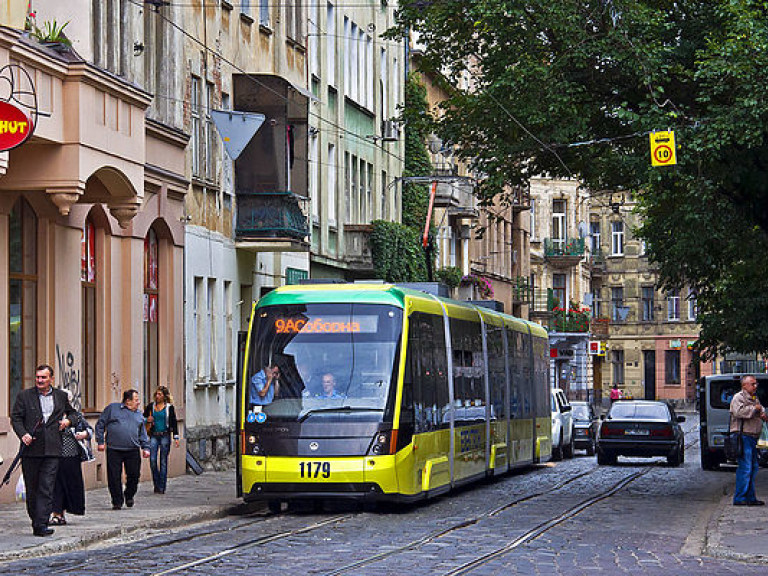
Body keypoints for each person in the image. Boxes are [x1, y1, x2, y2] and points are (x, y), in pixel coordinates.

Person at [10, 364, 78, 536]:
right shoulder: (24, 396)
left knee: (46, 487)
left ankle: (41, 523)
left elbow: (74, 415)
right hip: (31, 449)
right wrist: (23, 434)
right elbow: (16, 418)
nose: (40, 380)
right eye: (38, 377)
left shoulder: (61, 396)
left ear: (51, 379)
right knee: (32, 488)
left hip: (53, 449)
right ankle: (36, 519)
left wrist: (67, 422)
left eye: (44, 377)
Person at [95, 390, 150, 510]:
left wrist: (146, 447)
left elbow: (142, 432)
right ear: (128, 401)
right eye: (136, 400)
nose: (138, 402)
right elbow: (100, 424)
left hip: (133, 449)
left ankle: (129, 494)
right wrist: (100, 441)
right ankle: (117, 501)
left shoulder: (139, 414)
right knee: (114, 476)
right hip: (114, 449)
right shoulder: (112, 409)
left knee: (134, 475)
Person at [50, 389, 93, 526]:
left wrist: (84, 434)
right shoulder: (51, 416)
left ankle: (63, 512)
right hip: (55, 455)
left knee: (69, 486)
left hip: (72, 457)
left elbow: (89, 430)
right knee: (56, 486)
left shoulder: (75, 416)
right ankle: (57, 514)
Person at [730, 375, 768, 506]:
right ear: (744, 385)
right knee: (745, 468)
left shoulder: (754, 398)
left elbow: (761, 409)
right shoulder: (738, 398)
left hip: (753, 437)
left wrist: (762, 414)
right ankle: (740, 497)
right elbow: (738, 412)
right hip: (743, 436)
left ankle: (750, 497)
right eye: (752, 384)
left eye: (756, 383)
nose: (755, 386)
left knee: (753, 468)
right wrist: (754, 409)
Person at [143, 386, 180, 495]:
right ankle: (156, 483)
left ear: (164, 396)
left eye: (160, 394)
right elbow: (142, 418)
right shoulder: (151, 406)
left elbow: (174, 422)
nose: (157, 396)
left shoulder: (169, 408)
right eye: (156, 394)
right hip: (154, 435)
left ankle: (161, 486)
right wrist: (147, 419)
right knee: (153, 460)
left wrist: (176, 437)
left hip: (165, 435)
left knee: (163, 461)